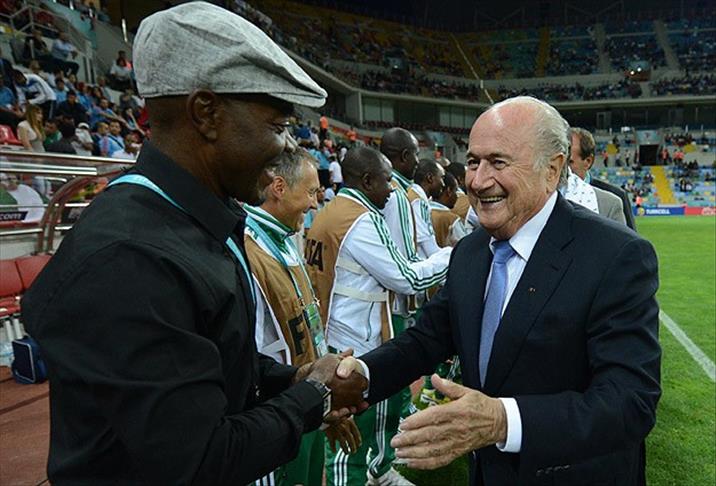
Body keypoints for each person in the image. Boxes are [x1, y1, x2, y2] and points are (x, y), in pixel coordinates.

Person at [21, 3, 369, 484]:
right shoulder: (132, 257)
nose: (289, 147)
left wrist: (290, 379)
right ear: (206, 114)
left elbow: (209, 363)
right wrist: (313, 395)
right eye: (278, 126)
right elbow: (200, 460)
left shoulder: (183, 219)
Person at [350, 96, 660, 485]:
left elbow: (629, 401)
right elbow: (425, 340)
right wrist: (359, 375)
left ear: (552, 169)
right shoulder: (470, 252)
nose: (478, 181)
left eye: (498, 162)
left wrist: (503, 422)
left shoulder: (615, 255)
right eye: (473, 161)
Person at [305, 146, 451, 486]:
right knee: (350, 442)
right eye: (387, 181)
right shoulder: (361, 219)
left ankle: (381, 473)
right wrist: (451, 257)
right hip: (355, 340)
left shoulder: (332, 211)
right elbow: (407, 279)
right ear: (368, 180)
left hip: (338, 332)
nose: (391, 189)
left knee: (358, 429)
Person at [245, 148, 361, 486]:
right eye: (310, 192)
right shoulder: (247, 247)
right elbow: (251, 357)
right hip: (277, 413)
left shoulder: (283, 238)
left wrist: (322, 399)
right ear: (279, 188)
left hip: (305, 401)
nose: (314, 204)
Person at [570, 127, 636, 230]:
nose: (562, 168)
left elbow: (629, 238)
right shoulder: (549, 194)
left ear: (588, 161)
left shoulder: (615, 197)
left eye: (569, 162)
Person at [409, 159, 445, 258]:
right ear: (430, 178)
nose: (443, 184)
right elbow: (430, 249)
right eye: (442, 178)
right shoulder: (418, 201)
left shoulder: (414, 194)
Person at [430, 172, 468, 248]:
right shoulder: (451, 219)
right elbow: (465, 246)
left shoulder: (423, 211)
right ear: (449, 191)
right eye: (455, 191)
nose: (457, 196)